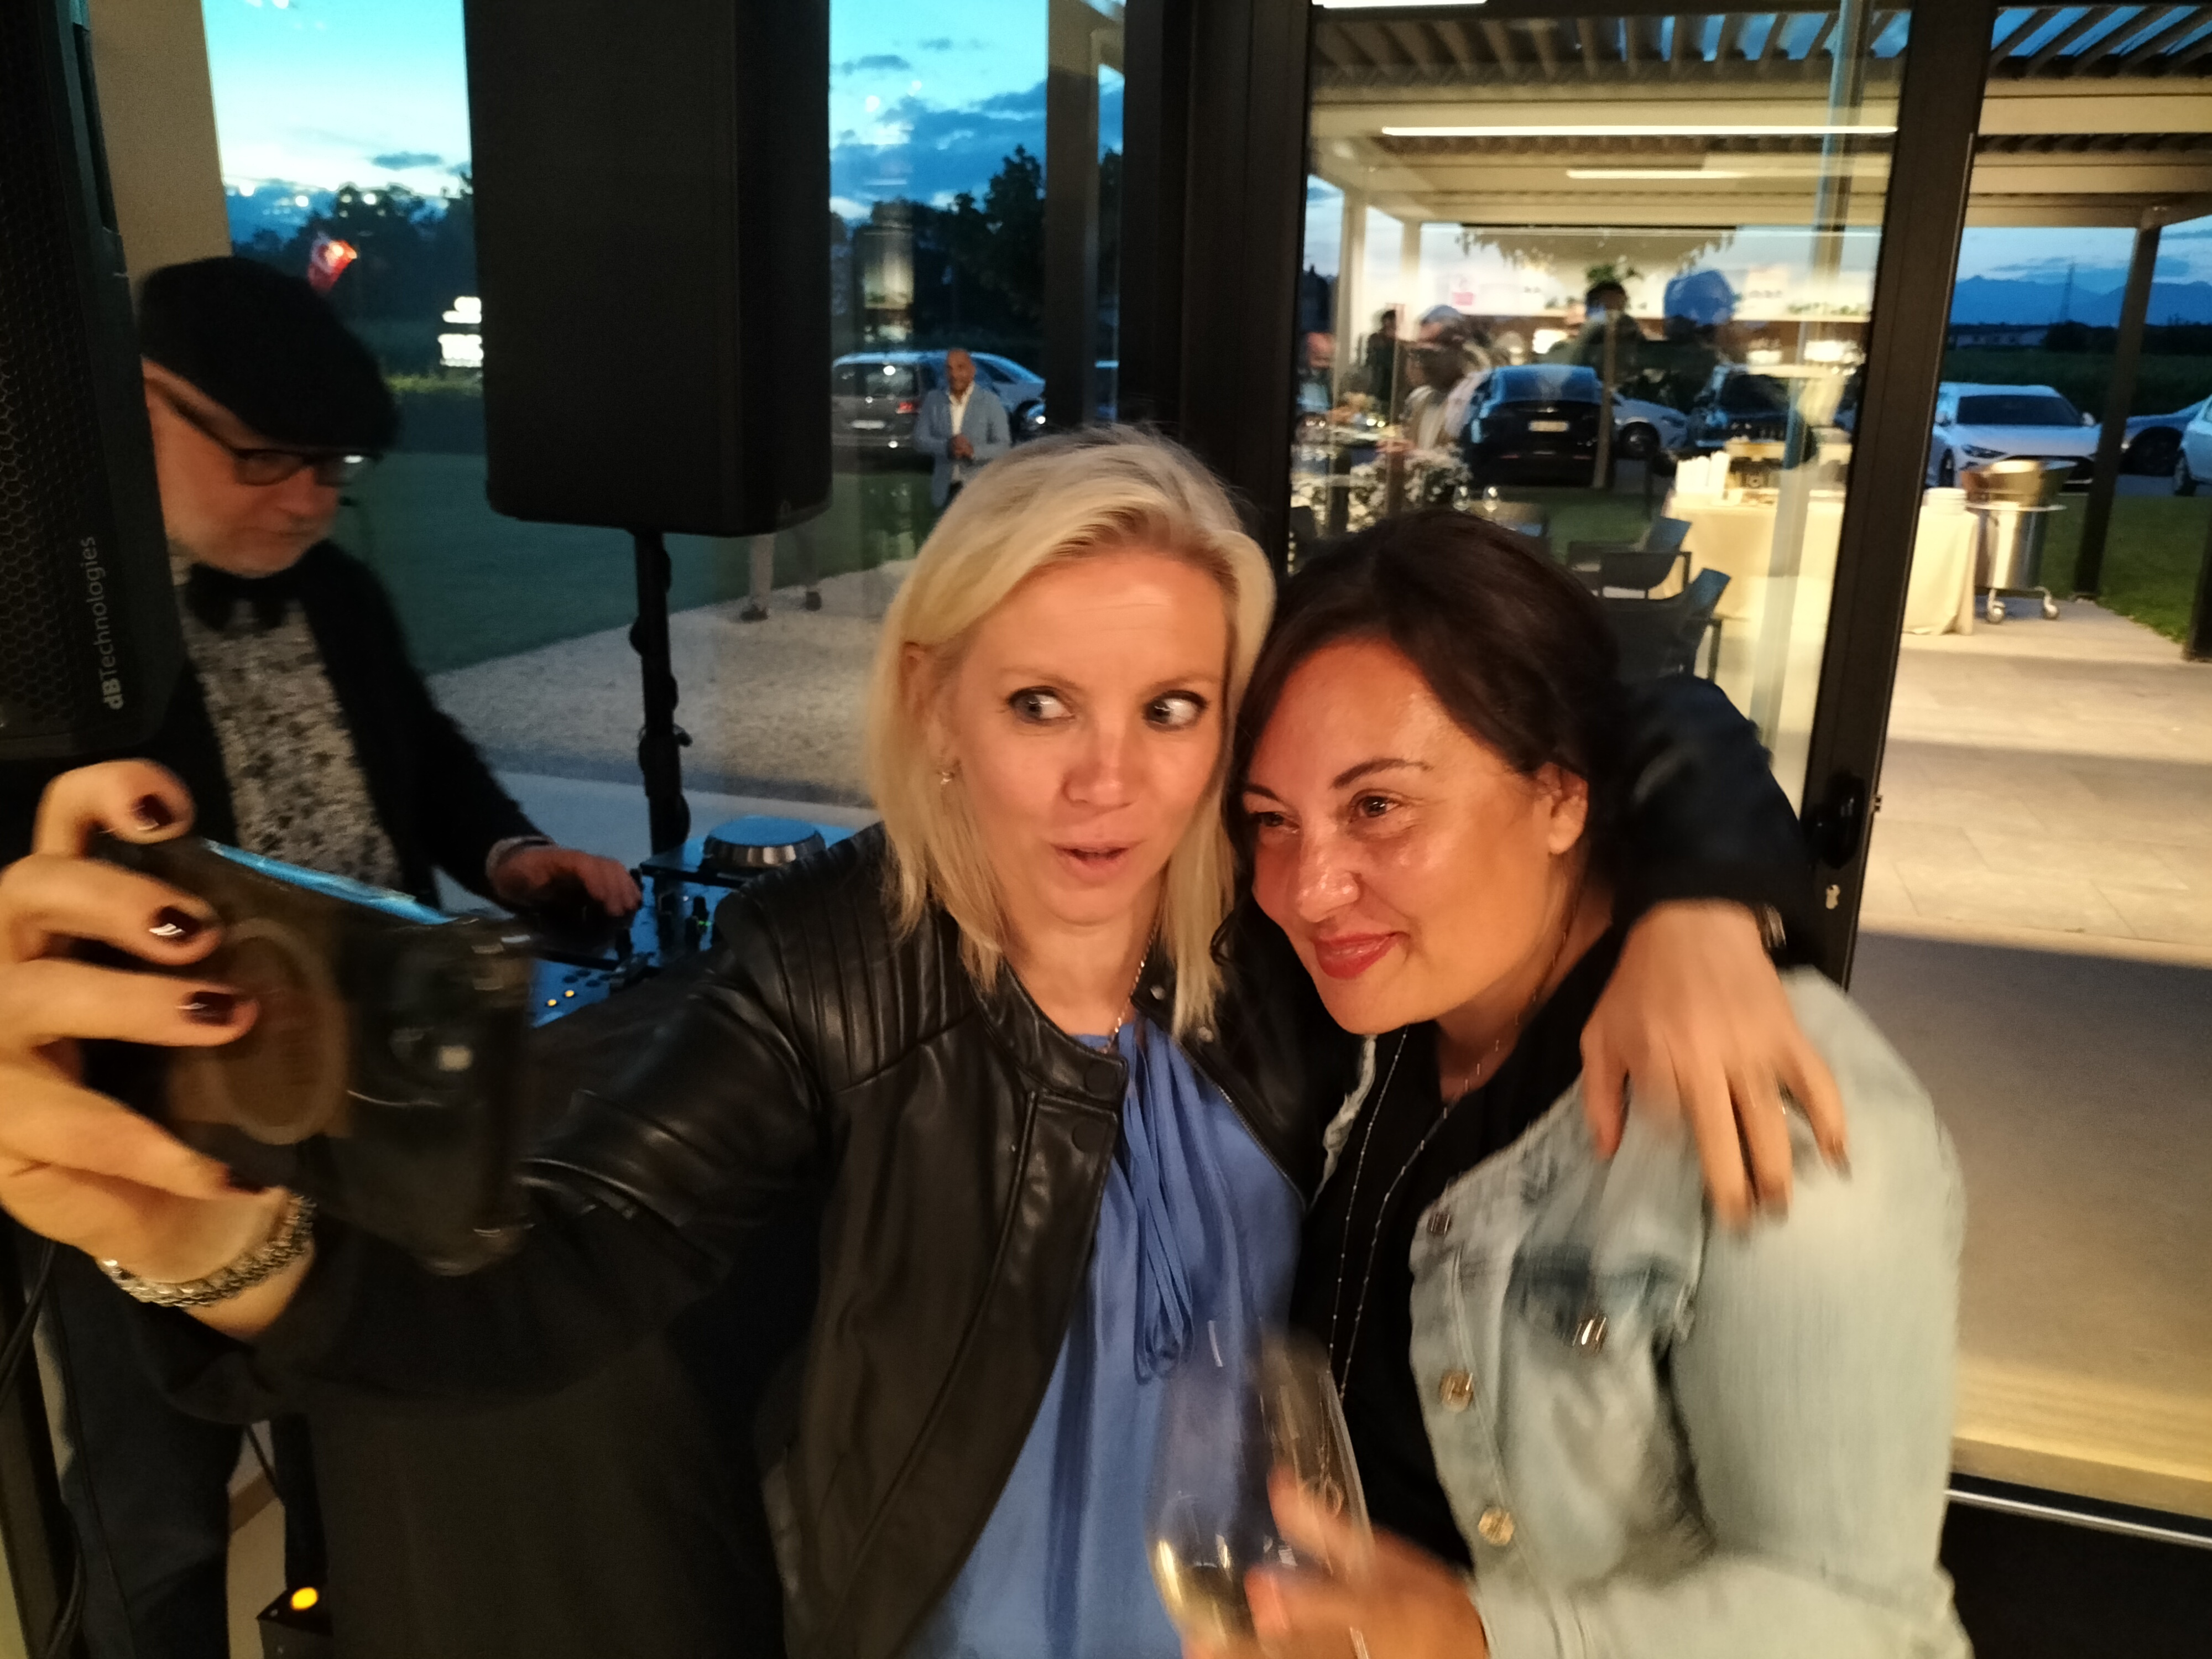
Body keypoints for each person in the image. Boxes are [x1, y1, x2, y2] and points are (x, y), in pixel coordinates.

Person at [0, 429, 1838, 1659]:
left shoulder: (1285, 940)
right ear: (934, 705)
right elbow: (555, 1281)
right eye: (1040, 703)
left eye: (1173, 709)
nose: (1111, 782)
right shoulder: (831, 973)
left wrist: (1698, 903)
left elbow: (1635, 711)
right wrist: (204, 1242)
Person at [0, 254, 644, 1659]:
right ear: (138, 409)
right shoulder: (45, 639)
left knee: (359, 1433)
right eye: (268, 460)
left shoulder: (336, 589)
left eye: (328, 468)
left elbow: (425, 752)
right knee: (154, 1505)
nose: (306, 498)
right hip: (156, 1125)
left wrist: (511, 854)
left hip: (368, 1095)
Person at [1219, 509, 1965, 1658]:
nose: (1308, 889)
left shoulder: (1767, 1099)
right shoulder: (1361, 1028)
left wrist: (1479, 1641)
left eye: (1378, 807)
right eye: (1272, 820)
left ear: (1563, 798)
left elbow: (1863, 1624)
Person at [914, 347, 1011, 509]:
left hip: (978, 491)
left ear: (972, 370)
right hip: (944, 490)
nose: (954, 374)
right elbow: (919, 440)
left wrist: (972, 451)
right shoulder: (934, 400)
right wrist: (947, 446)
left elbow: (1004, 447)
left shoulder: (990, 402)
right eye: (949, 369)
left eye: (960, 368)